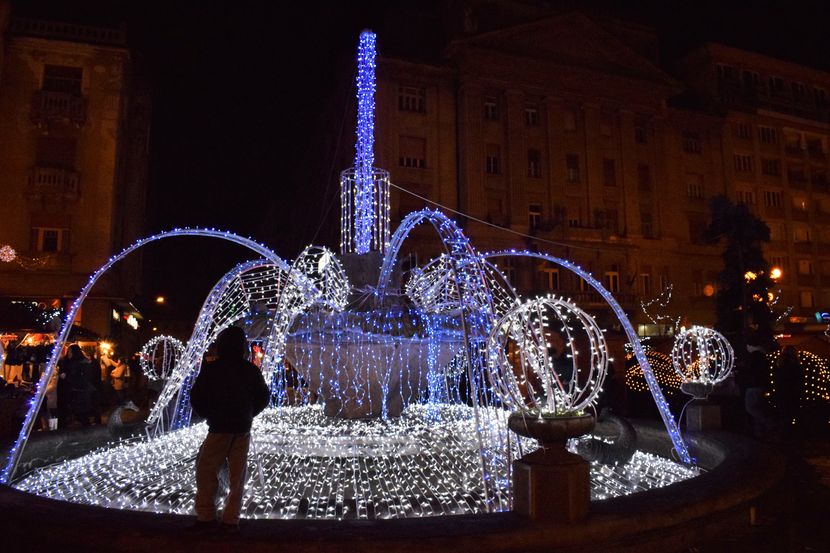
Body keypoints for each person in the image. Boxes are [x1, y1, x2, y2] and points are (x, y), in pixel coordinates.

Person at [190, 326, 269, 533]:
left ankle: (206, 516)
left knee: (206, 470)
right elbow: (263, 397)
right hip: (241, 427)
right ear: (242, 347)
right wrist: (248, 413)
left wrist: (209, 414)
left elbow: (196, 396)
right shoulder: (250, 370)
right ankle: (231, 519)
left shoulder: (212, 369)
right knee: (237, 475)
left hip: (219, 427)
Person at [774, 346, 802, 430]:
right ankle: (791, 429)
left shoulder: (780, 364)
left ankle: (784, 429)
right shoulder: (796, 365)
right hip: (793, 392)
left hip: (782, 391)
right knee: (791, 411)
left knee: (783, 412)